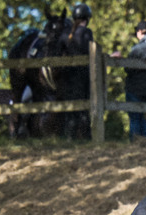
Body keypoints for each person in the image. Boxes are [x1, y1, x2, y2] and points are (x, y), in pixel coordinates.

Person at [58, 3, 93, 139]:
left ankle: (70, 138)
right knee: (84, 110)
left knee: (71, 109)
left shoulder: (66, 34)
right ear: (87, 18)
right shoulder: (87, 33)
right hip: (83, 76)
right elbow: (90, 52)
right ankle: (86, 138)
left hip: (67, 76)